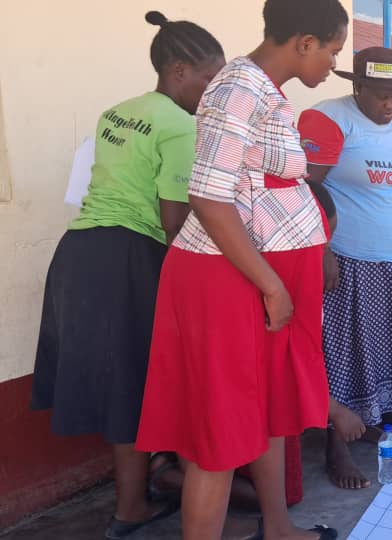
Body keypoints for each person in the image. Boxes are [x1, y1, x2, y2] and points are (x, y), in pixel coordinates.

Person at [134, 2, 365, 539]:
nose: (333, 63)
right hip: (229, 280)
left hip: (256, 279)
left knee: (265, 410)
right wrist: (273, 285)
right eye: (332, 49)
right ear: (304, 42)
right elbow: (209, 199)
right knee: (222, 434)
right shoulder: (237, 86)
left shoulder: (262, 89)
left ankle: (278, 527)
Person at [29, 12, 224, 539]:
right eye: (209, 79)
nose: (211, 93)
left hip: (80, 252)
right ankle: (132, 506)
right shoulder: (182, 125)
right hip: (129, 255)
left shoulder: (117, 112)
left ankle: (134, 501)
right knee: (136, 383)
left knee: (122, 382)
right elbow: (174, 222)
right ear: (178, 70)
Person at [296, 46, 392, 490]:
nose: (391, 104)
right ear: (357, 86)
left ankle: (368, 419)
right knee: (342, 353)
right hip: (347, 261)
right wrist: (321, 252)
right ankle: (335, 445)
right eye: (381, 94)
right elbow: (303, 191)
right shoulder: (330, 119)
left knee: (376, 348)